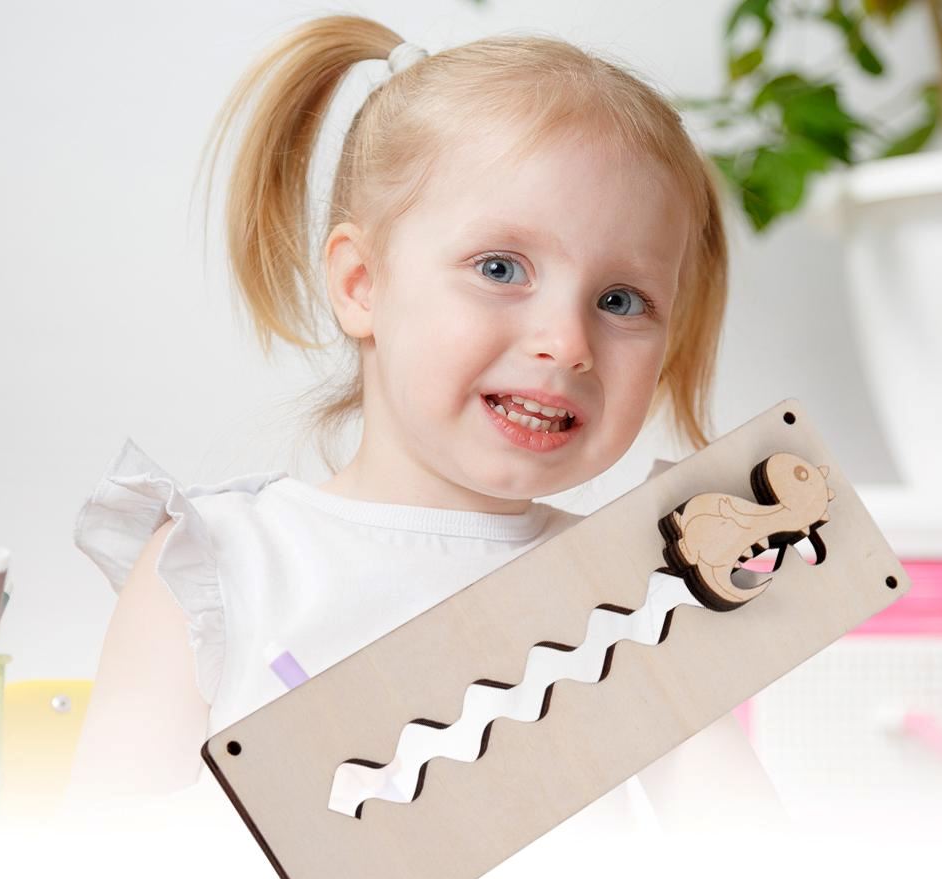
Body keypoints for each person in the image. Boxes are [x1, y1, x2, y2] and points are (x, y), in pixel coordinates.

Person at [66, 14, 788, 831]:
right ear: (362, 284)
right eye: (501, 269)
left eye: (621, 301)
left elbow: (755, 865)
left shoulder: (629, 600)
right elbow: (95, 867)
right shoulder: (218, 568)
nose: (567, 343)